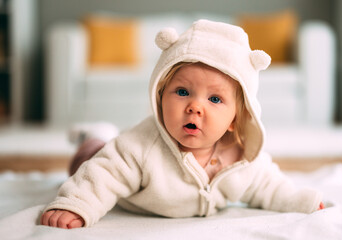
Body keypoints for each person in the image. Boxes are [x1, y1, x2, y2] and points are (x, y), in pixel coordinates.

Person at [41, 19, 324, 229]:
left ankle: (101, 132)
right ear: (161, 95)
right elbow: (104, 175)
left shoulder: (241, 158)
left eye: (214, 99)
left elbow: (270, 186)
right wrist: (76, 205)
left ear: (235, 119)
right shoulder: (140, 146)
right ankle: (93, 136)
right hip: (107, 163)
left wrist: (300, 200)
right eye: (183, 92)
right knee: (85, 160)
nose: (194, 107)